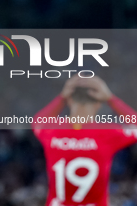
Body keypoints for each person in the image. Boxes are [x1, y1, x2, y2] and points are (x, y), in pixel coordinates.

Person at [32, 75, 137, 206]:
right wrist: (111, 99)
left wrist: (61, 98)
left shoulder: (52, 130)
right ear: (98, 104)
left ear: (69, 100)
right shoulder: (108, 133)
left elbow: (37, 122)